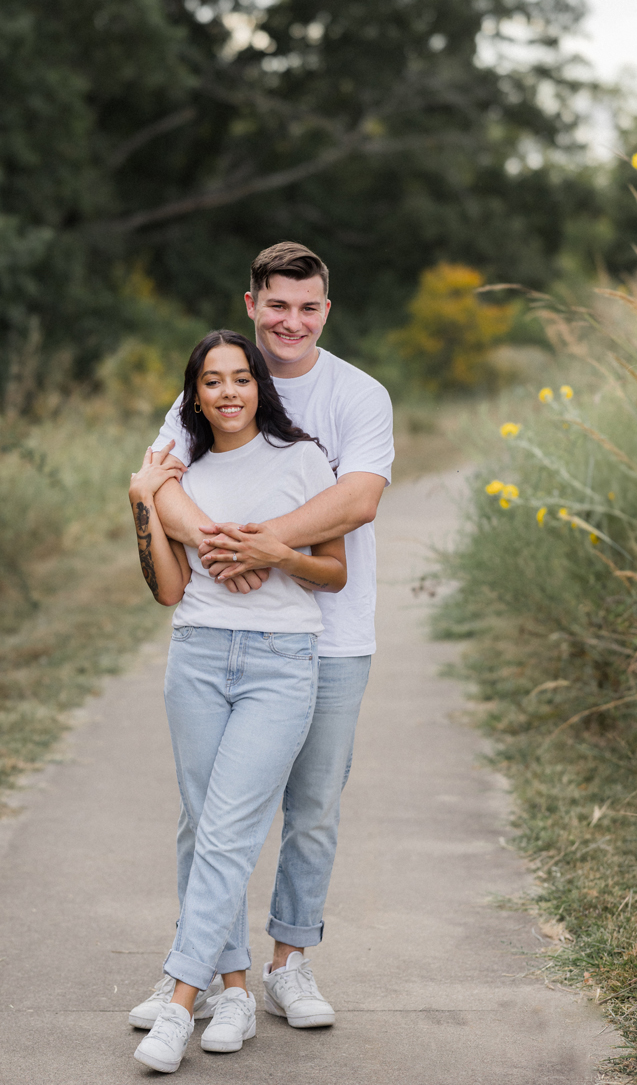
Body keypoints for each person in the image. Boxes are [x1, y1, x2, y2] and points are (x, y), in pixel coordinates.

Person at [129, 241, 394, 1032]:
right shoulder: (219, 381)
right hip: (225, 629)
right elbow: (154, 481)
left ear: (326, 311)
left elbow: (357, 501)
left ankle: (289, 965)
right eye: (277, 305)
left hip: (333, 637)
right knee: (206, 813)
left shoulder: (358, 394)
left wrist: (267, 545)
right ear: (252, 304)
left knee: (311, 807)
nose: (292, 321)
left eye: (308, 307)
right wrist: (219, 543)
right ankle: (210, 970)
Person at [127, 329, 347, 1073]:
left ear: (261, 387)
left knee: (227, 831)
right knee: (200, 822)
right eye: (212, 382)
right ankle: (235, 989)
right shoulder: (180, 476)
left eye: (241, 379)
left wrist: (278, 554)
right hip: (195, 658)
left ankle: (180, 1005)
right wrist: (143, 501)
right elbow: (168, 589)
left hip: (282, 664)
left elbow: (335, 572)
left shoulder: (304, 459)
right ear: (195, 396)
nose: (228, 393)